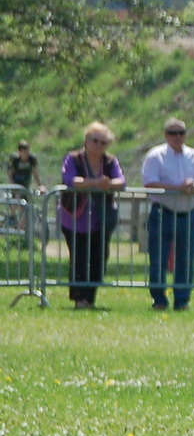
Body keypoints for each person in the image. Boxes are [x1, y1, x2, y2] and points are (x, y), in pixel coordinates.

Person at [140, 116, 194, 311]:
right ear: (165, 135)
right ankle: (159, 299)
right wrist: (177, 188)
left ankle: (182, 300)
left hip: (188, 213)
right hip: (163, 212)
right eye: (173, 133)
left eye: (181, 133)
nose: (177, 137)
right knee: (158, 259)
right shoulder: (156, 156)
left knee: (186, 259)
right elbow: (150, 183)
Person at [58, 122, 123, 309]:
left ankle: (90, 298)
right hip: (74, 218)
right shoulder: (73, 159)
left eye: (103, 142)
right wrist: (95, 182)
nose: (98, 145)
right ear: (86, 140)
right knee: (79, 258)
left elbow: (121, 180)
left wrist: (109, 184)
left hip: (100, 220)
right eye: (95, 140)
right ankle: (79, 299)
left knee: (99, 258)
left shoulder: (110, 162)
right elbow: (70, 179)